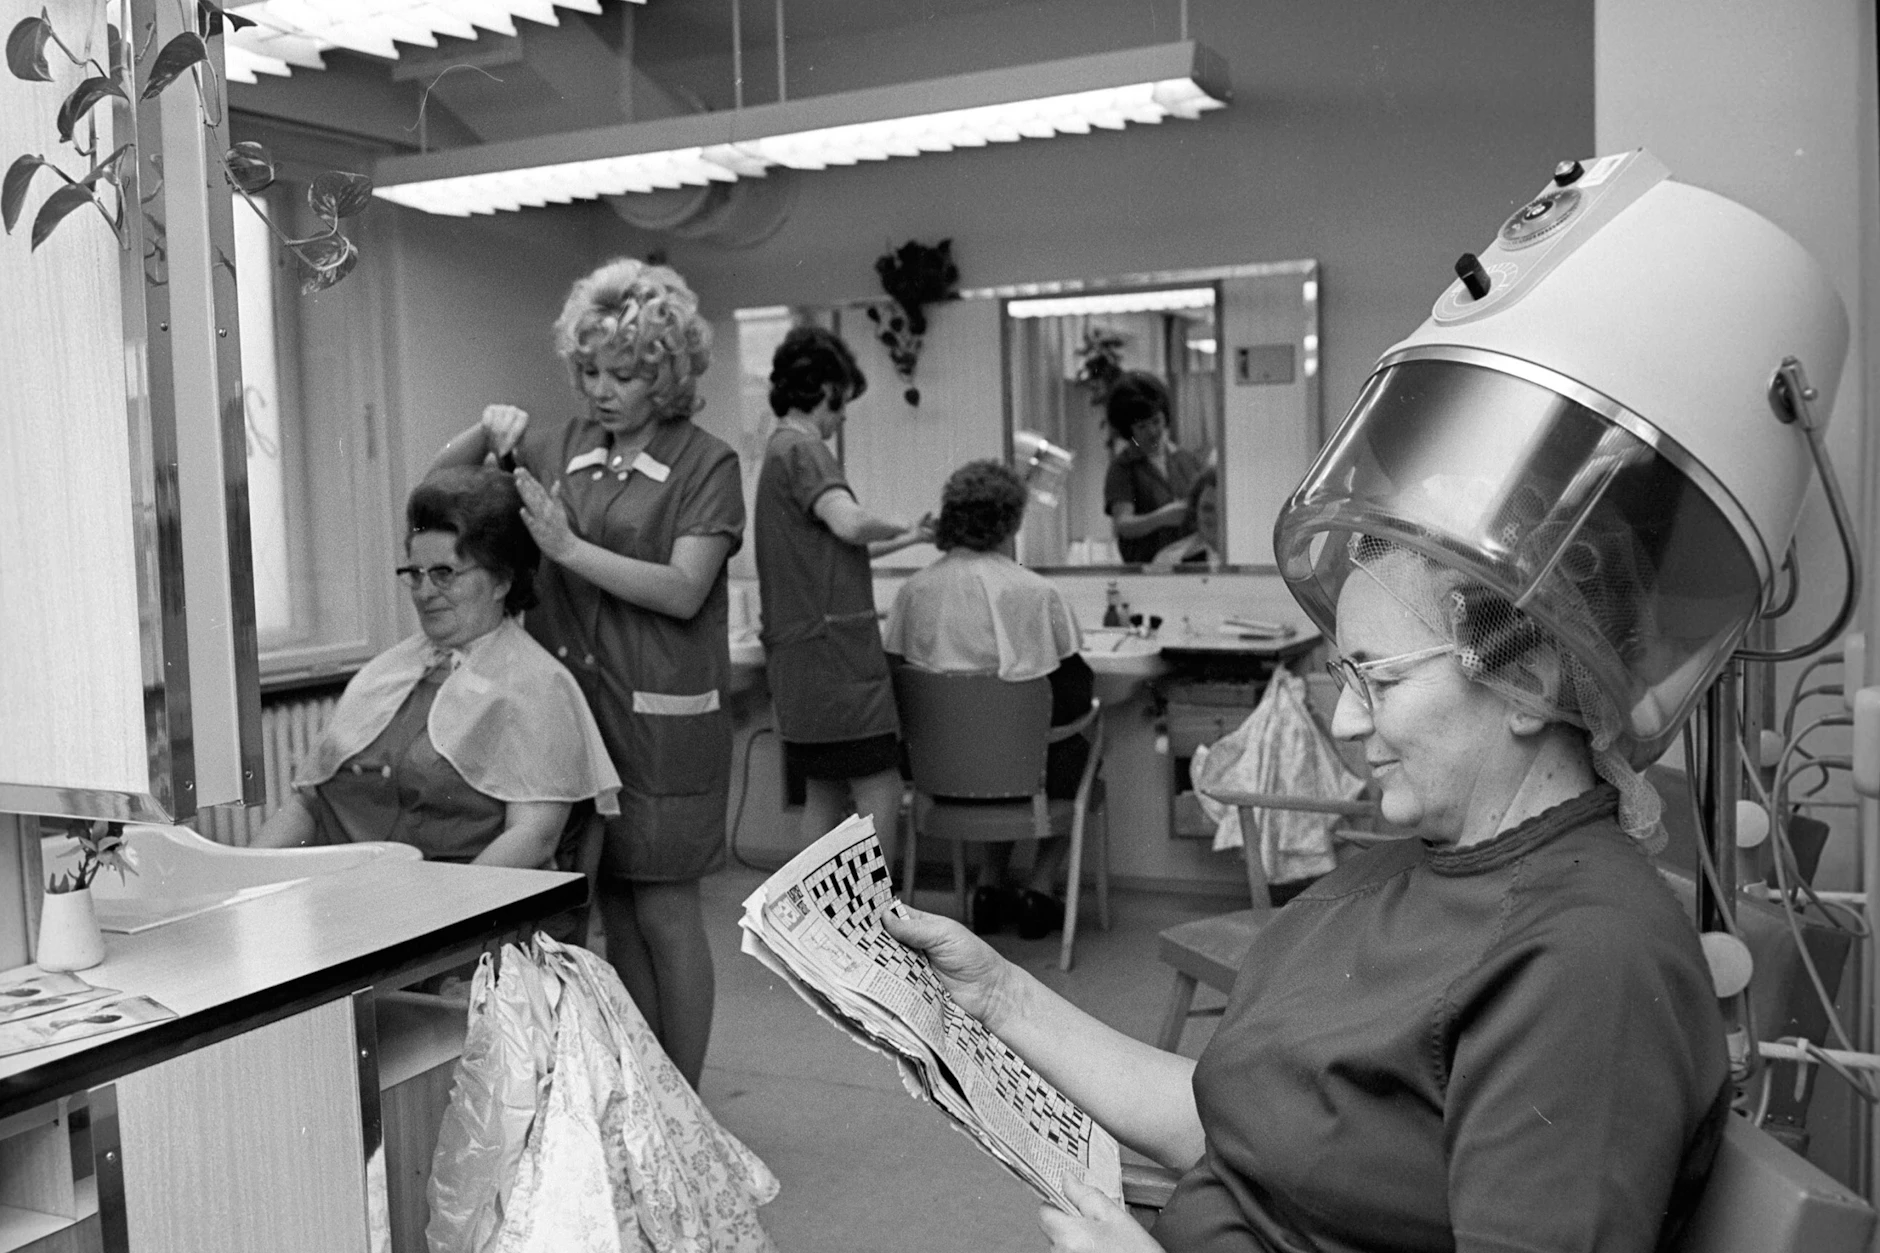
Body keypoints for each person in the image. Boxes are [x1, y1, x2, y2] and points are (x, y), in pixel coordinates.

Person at [889, 534, 1728, 1253]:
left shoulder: (1582, 963)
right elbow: (1240, 1122)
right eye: (1346, 679)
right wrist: (997, 995)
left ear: (1531, 680)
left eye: (1382, 681)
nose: (1349, 723)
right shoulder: (1415, 865)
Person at [429, 258, 743, 1089]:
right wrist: (482, 428)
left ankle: (690, 1101)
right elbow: (437, 490)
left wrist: (568, 549)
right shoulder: (563, 447)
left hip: (663, 722)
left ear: (667, 374)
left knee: (667, 910)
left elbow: (683, 590)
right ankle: (649, 1092)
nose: (603, 390)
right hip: (575, 717)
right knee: (611, 914)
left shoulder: (708, 464)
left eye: (627, 374)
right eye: (591, 371)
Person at [256, 466, 620, 868]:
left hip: (469, 912)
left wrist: (439, 921)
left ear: (501, 581)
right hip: (360, 898)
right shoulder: (385, 674)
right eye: (415, 574)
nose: (425, 593)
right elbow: (310, 805)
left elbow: (534, 839)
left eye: (445, 574)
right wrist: (240, 877)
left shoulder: (540, 687)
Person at [883, 459, 1095, 939]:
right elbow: (1074, 693)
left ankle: (988, 885)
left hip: (936, 775)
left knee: (994, 745)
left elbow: (895, 677)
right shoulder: (1036, 593)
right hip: (1023, 771)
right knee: (1071, 746)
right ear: (1014, 520)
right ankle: (1039, 890)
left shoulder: (913, 592)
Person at [755, 325, 931, 869]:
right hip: (836, 658)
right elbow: (851, 525)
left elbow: (835, 553)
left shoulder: (777, 453)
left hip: (802, 657)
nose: (842, 419)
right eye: (842, 406)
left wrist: (912, 537)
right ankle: (875, 918)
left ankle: (823, 930)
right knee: (879, 781)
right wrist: (896, 520)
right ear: (826, 389)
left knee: (825, 788)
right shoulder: (806, 449)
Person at [1103, 372, 1204, 564]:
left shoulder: (1187, 460)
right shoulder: (1123, 468)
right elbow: (1123, 524)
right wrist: (1161, 518)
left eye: (1156, 421)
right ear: (1128, 431)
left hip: (1193, 567)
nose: (1153, 432)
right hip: (1147, 572)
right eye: (1142, 427)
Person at [1150, 466, 1221, 568]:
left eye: (1224, 510)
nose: (1216, 516)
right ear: (1195, 510)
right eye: (1208, 509)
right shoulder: (1168, 559)